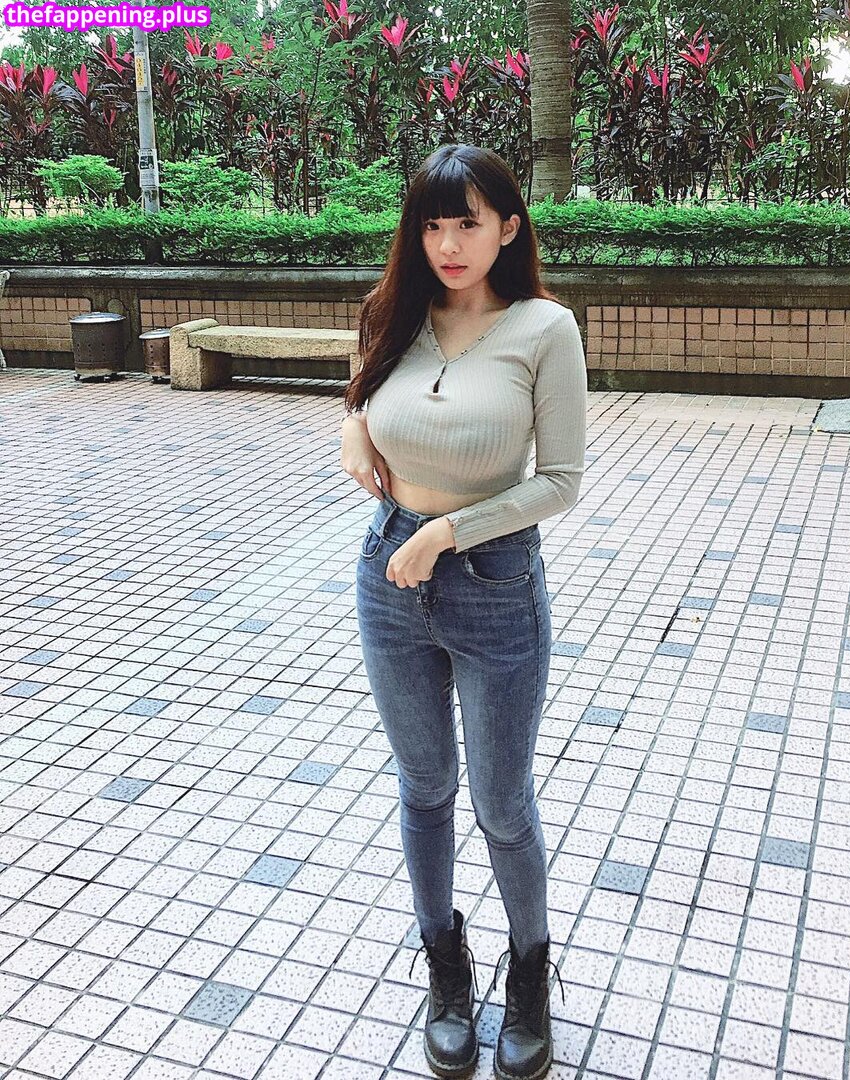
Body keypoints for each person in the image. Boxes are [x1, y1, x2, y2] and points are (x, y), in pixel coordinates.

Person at [340, 143, 588, 1080]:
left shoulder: (544, 329)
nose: (448, 244)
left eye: (468, 224)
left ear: (509, 228)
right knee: (424, 786)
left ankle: (529, 972)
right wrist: (352, 421)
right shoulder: (393, 312)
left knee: (501, 802)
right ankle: (446, 966)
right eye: (433, 224)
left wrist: (449, 533)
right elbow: (364, 387)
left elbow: (560, 481)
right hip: (387, 573)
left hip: (493, 585)